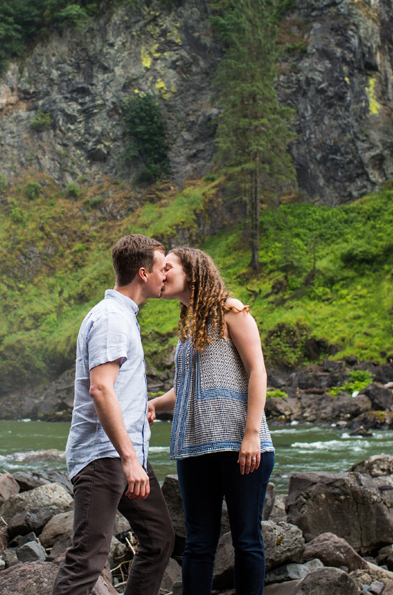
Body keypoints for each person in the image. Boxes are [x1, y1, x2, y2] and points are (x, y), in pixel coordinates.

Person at [52, 234, 175, 595]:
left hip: (124, 452)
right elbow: (101, 389)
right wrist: (129, 458)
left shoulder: (123, 316)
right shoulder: (110, 319)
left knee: (159, 538)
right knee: (88, 558)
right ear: (142, 273)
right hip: (106, 457)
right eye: (161, 267)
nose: (166, 274)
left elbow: (115, 390)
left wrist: (141, 411)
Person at [148, 247, 275, 595]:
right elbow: (186, 389)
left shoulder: (232, 310)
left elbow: (257, 372)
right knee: (198, 543)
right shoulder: (188, 326)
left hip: (240, 445)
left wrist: (251, 435)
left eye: (168, 267)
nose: (162, 273)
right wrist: (154, 405)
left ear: (192, 271)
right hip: (194, 446)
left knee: (246, 539)